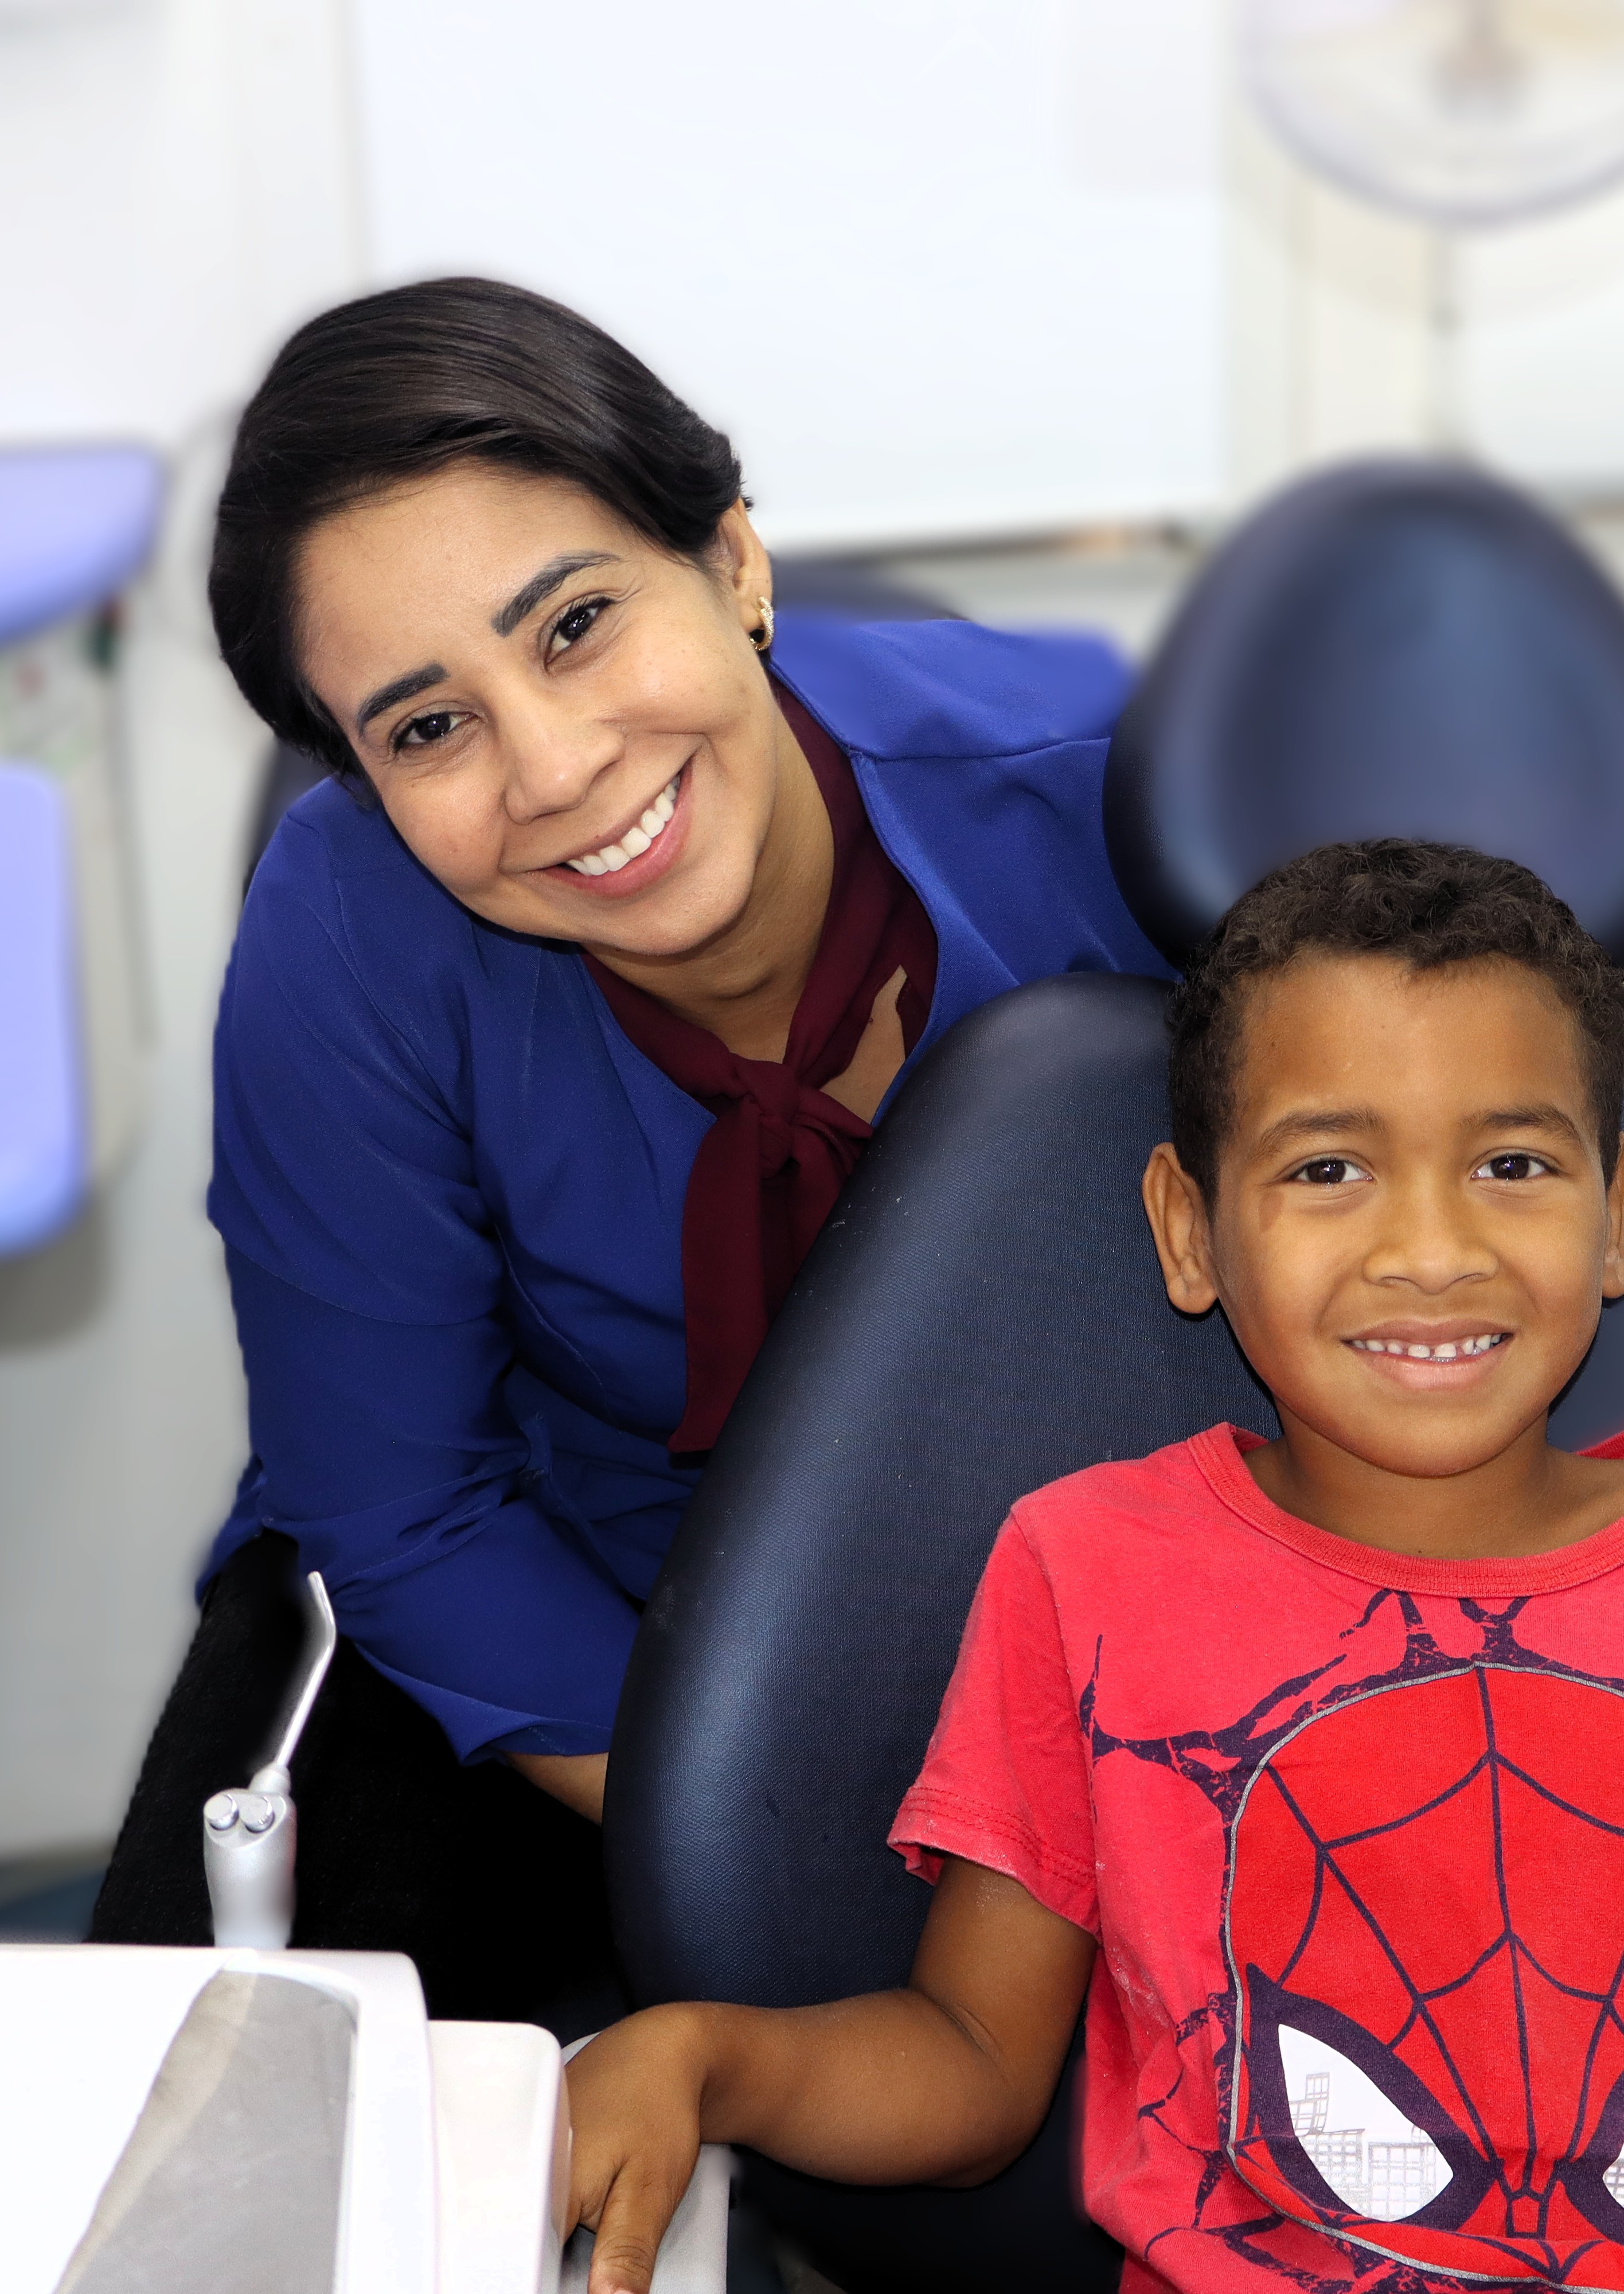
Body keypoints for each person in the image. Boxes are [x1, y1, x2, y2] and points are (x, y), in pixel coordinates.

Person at [563, 841, 1624, 2293]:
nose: (1431, 1249)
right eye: (1330, 1170)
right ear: (1189, 1233)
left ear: (1613, 1214)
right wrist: (709, 2058)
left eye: (1511, 1163)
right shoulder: (1085, 1571)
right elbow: (973, 2062)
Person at [86, 278, 1168, 2019]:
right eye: (427, 727)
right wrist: (769, 1839)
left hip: (1055, 1602)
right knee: (225, 2105)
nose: (554, 766)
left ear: (733, 562)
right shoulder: (349, 929)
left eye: (577, 624)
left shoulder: (1112, 798)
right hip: (539, 1593)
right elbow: (401, 1505)